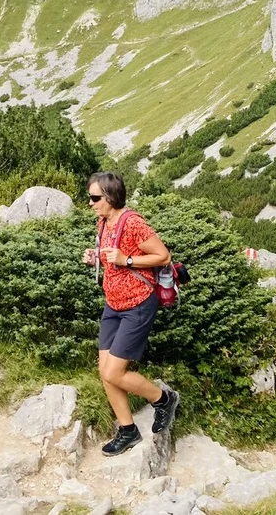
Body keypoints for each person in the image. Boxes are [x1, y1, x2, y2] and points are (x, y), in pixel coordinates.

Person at [81, 172, 180, 456]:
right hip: (113, 304)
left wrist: (127, 260)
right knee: (105, 372)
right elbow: (111, 255)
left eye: (95, 198)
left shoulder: (133, 223)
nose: (91, 203)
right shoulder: (104, 222)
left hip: (138, 304)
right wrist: (95, 256)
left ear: (111, 197)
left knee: (114, 371)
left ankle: (163, 399)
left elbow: (163, 256)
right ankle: (128, 430)